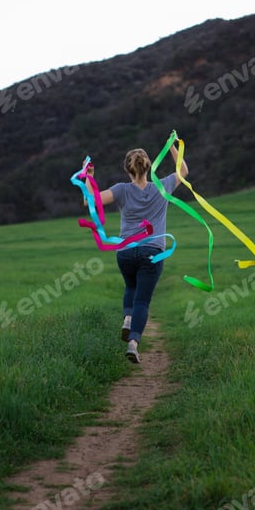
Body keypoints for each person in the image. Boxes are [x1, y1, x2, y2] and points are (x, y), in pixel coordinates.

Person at [84, 140, 188, 364]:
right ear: (148, 166)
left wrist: (89, 176)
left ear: (127, 169)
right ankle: (133, 343)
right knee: (142, 301)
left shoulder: (121, 189)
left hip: (126, 251)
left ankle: (127, 319)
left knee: (131, 285)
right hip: (152, 251)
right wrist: (172, 145)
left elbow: (89, 201)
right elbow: (183, 171)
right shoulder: (162, 186)